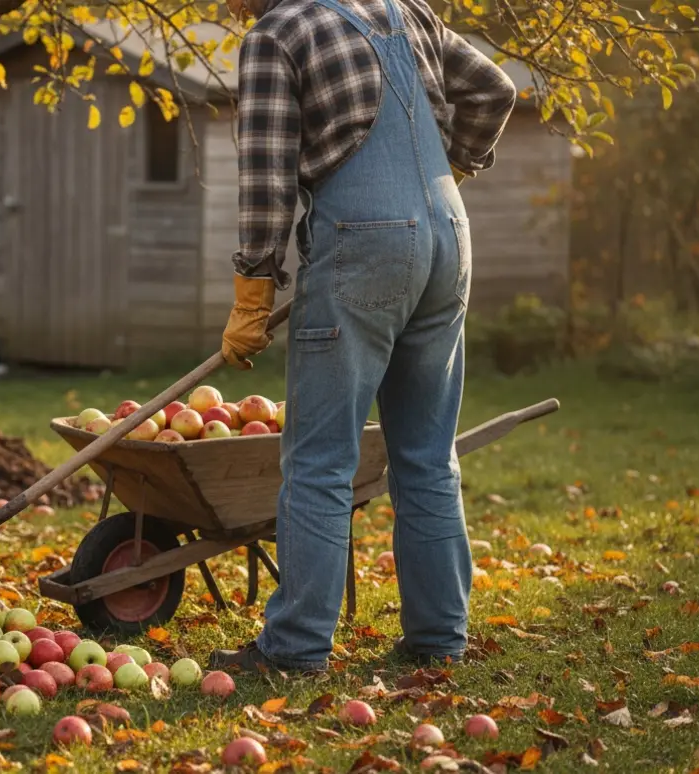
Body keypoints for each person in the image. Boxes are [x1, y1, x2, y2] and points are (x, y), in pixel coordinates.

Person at [211, 0, 518, 673]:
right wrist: (453, 166)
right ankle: (440, 639)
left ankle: (293, 649)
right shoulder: (406, 9)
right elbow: (497, 89)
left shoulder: (277, 34)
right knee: (429, 455)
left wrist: (255, 283)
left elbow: (265, 178)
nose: (233, 7)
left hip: (361, 243)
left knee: (320, 461)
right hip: (449, 233)